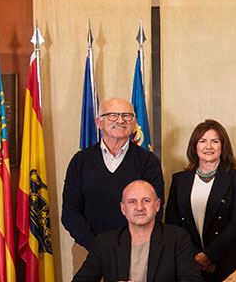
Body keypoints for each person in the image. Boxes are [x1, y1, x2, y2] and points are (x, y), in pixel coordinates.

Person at [62, 97, 164, 270]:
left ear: (134, 123)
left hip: (136, 250)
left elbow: (154, 209)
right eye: (112, 116)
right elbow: (70, 213)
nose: (120, 120)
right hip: (88, 250)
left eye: (126, 116)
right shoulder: (80, 161)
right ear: (99, 122)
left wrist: (129, 245)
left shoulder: (148, 161)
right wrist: (97, 246)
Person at [68, 180, 202, 282]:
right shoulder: (105, 242)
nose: (139, 208)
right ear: (123, 208)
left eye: (146, 201)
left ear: (157, 205)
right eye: (132, 202)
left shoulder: (177, 237)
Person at [164, 120, 236, 282]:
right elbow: (172, 223)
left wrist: (209, 255)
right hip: (189, 261)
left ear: (223, 146)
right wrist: (197, 256)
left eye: (215, 141)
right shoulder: (180, 180)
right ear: (194, 146)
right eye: (203, 141)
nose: (208, 146)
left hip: (228, 259)